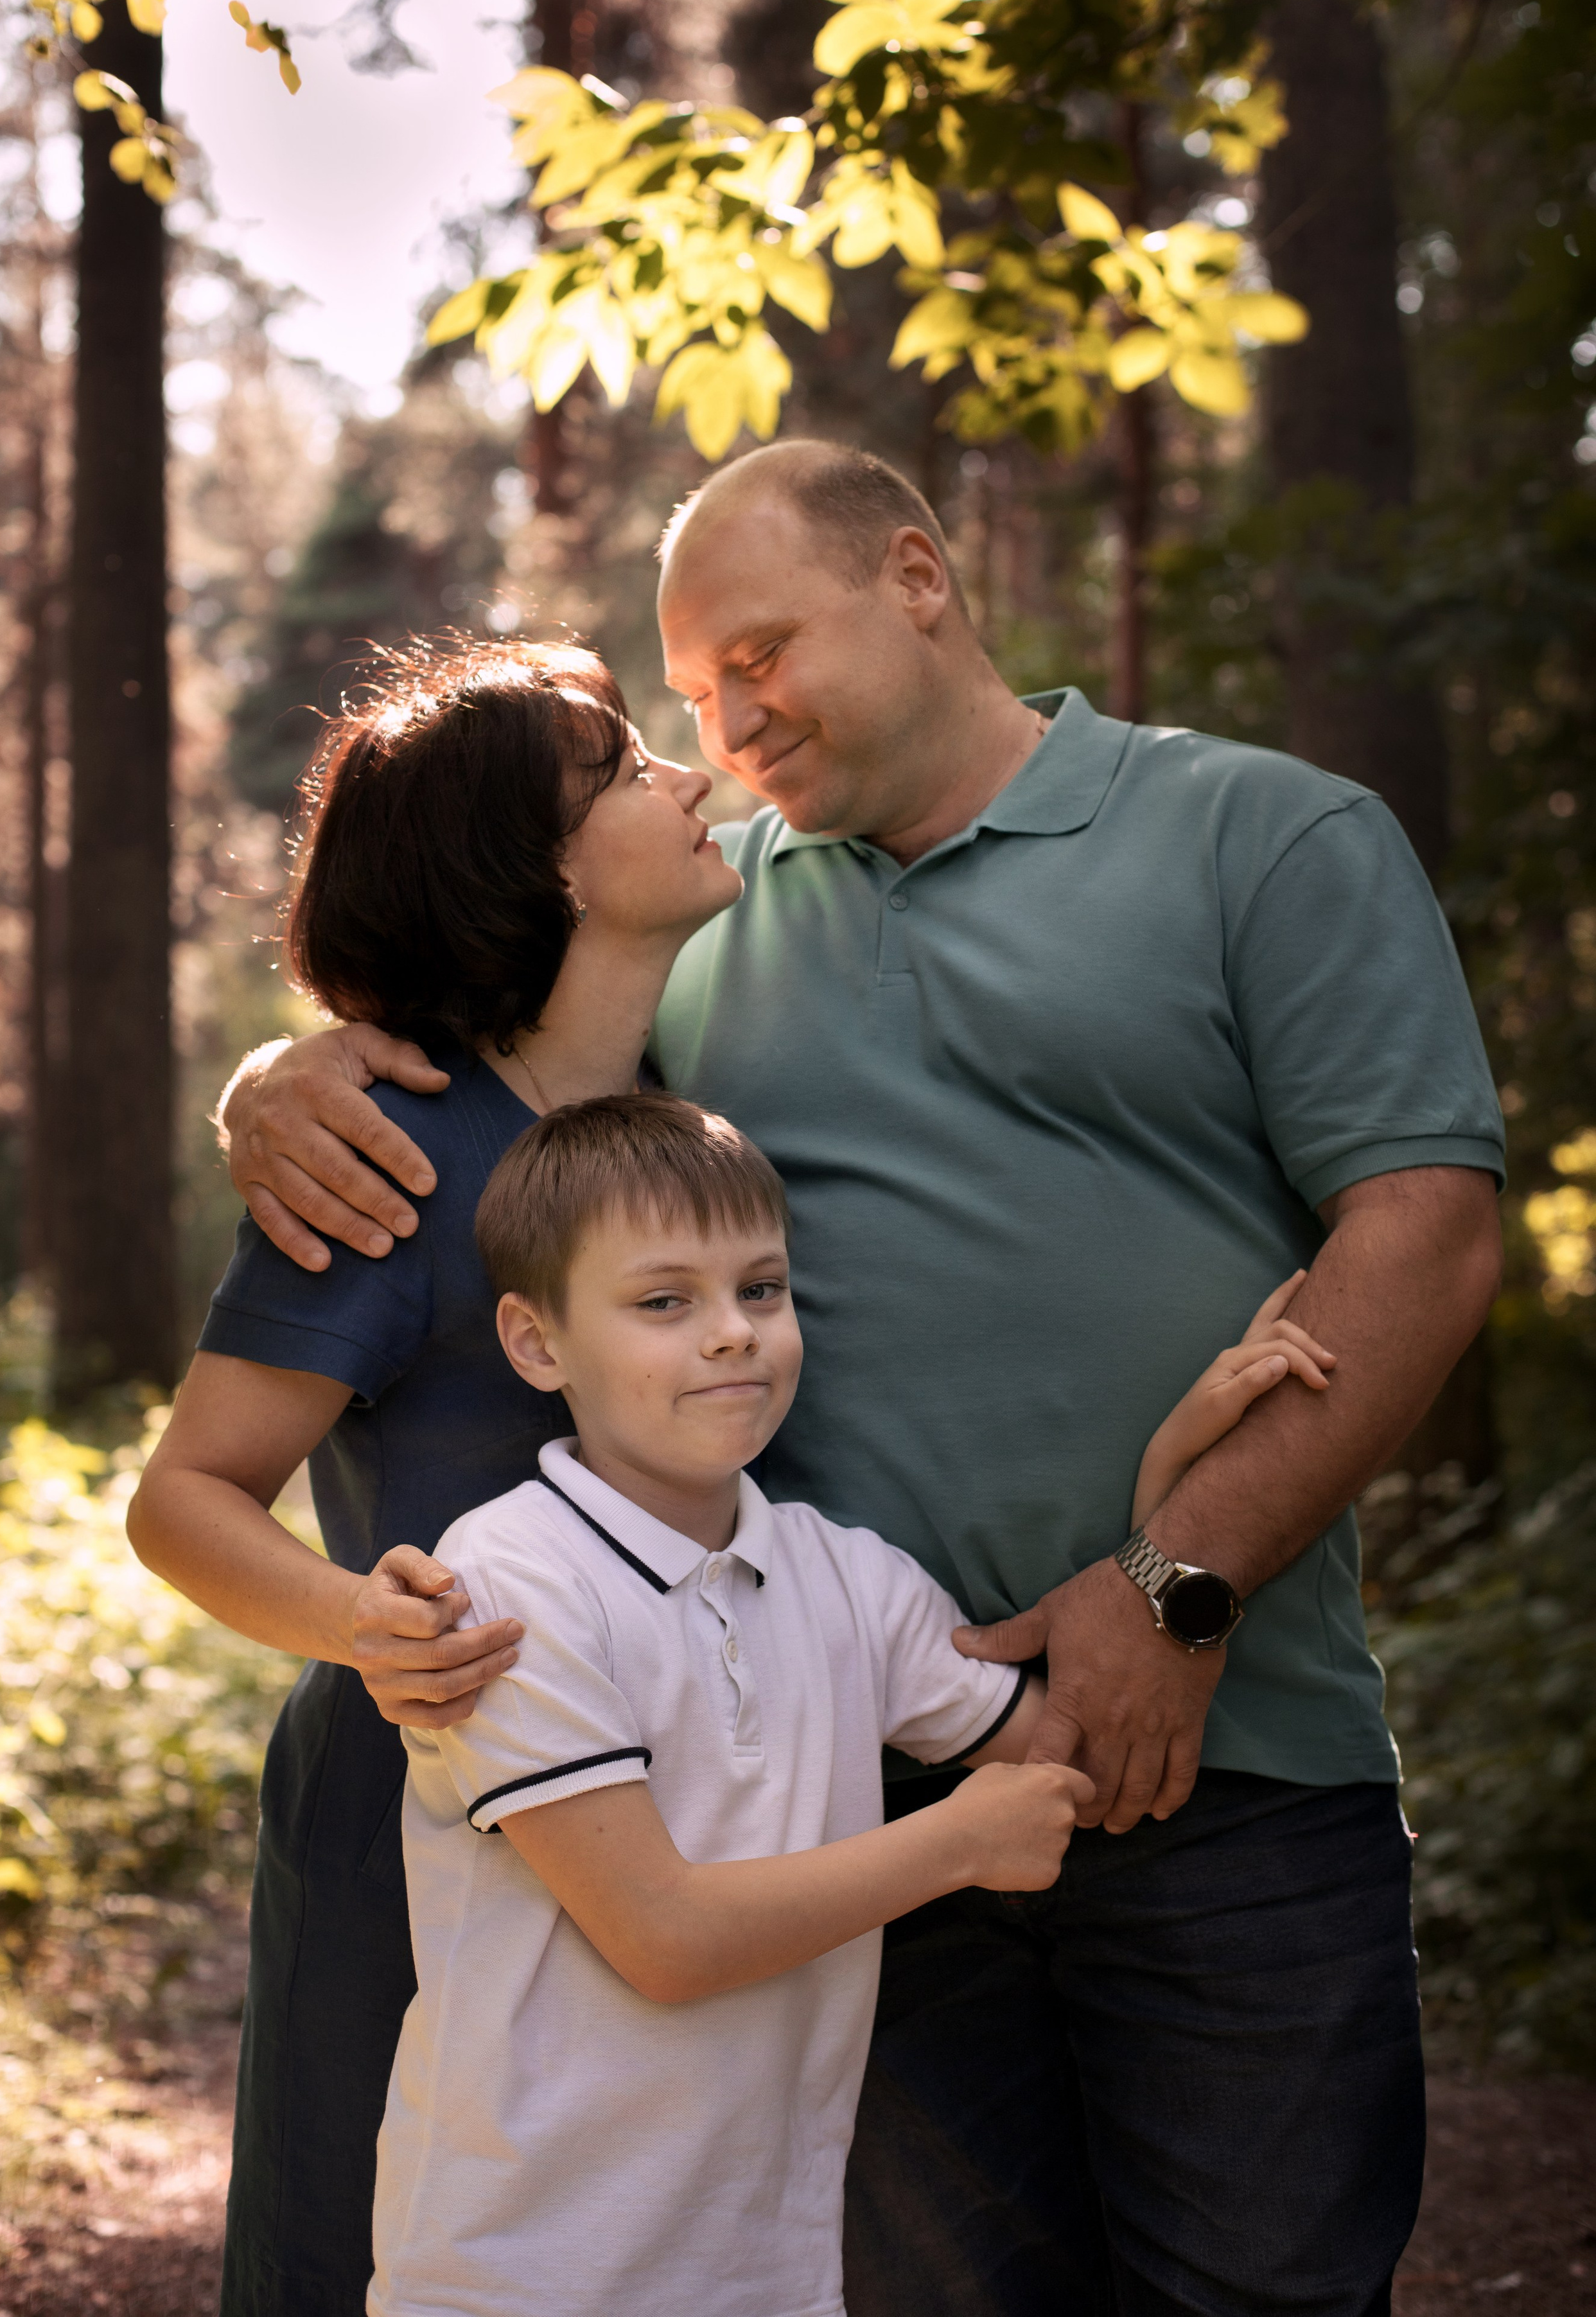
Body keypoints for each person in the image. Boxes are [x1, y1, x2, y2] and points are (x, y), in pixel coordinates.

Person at [221, 441, 1506, 2317]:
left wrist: (1177, 1587)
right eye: (696, 691)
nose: (729, 722)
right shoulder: (706, 907)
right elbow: (487, 997)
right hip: (849, 1811)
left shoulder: (1263, 836)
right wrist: (277, 1077)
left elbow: (1430, 1234)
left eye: (763, 653)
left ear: (916, 578)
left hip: (1229, 1767)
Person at [370, 1090, 1334, 2317]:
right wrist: (954, 1844)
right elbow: (662, 1938)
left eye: (761, 1290)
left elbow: (1083, 1761)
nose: (733, 1334)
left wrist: (1166, 1507)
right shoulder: (509, 1580)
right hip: (524, 2261)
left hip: (768, 2266)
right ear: (536, 1342)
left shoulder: (848, 1577)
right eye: (665, 1301)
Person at [129, 640, 749, 2317]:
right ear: (530, 870)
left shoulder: (701, 1129)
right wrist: (367, 1627)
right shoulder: (386, 1155)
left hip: (687, 1819)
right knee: (372, 2263)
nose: (686, 776)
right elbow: (185, 1495)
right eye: (621, 773)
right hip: (409, 1815)